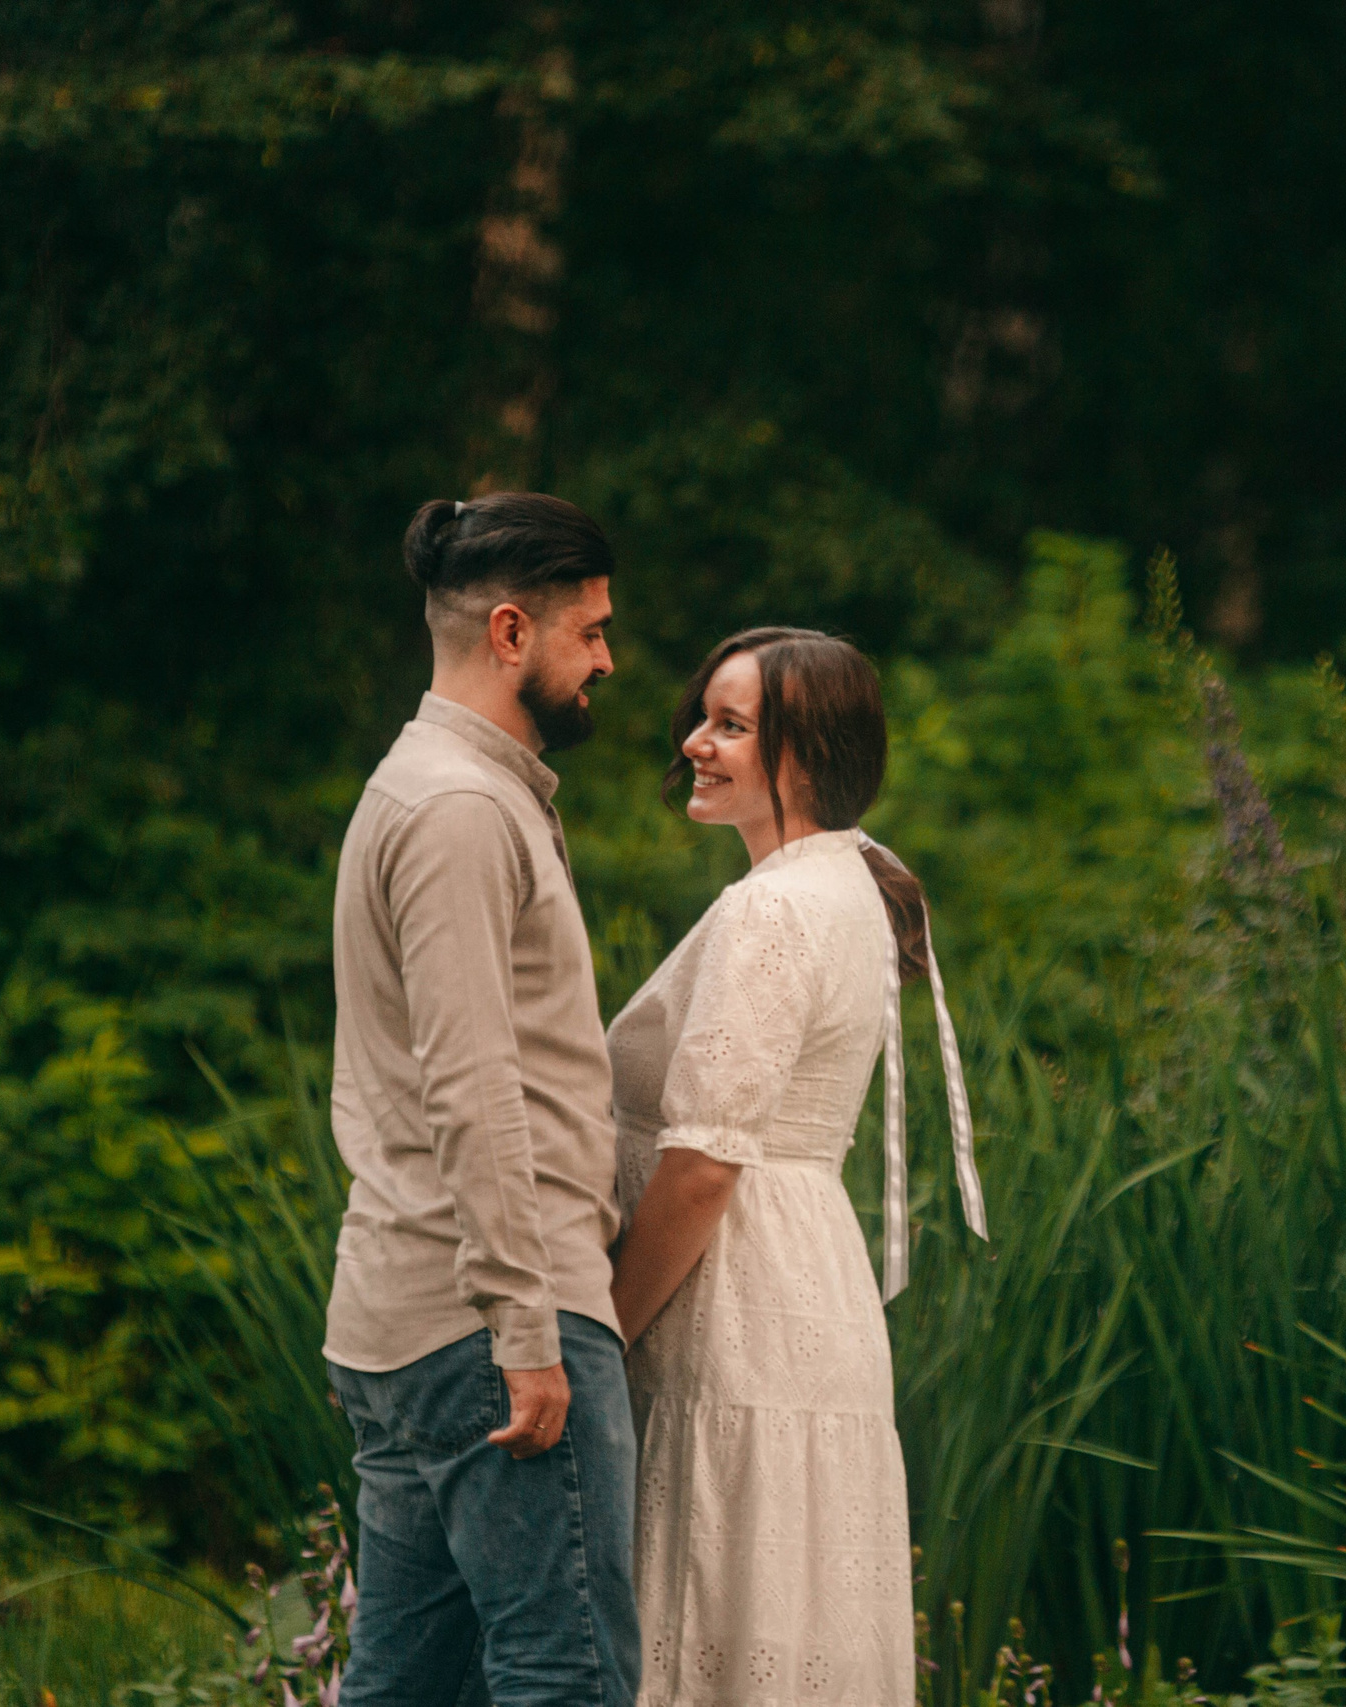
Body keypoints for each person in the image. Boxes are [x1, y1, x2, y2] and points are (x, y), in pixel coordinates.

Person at [607, 627, 989, 1707]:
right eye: (703, 716)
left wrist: (599, 1329)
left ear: (809, 756)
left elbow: (703, 1166)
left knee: (716, 1615)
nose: (694, 741)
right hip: (806, 1288)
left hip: (732, 1300)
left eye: (731, 726)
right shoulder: (845, 885)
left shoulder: (775, 907)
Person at [323, 492, 639, 1707]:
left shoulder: (442, 788)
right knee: (570, 1680)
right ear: (512, 632)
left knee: (406, 1689)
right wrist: (525, 1329)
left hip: (415, 1318)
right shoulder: (459, 811)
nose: (607, 659)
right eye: (591, 632)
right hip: (493, 1321)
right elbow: (470, 1087)